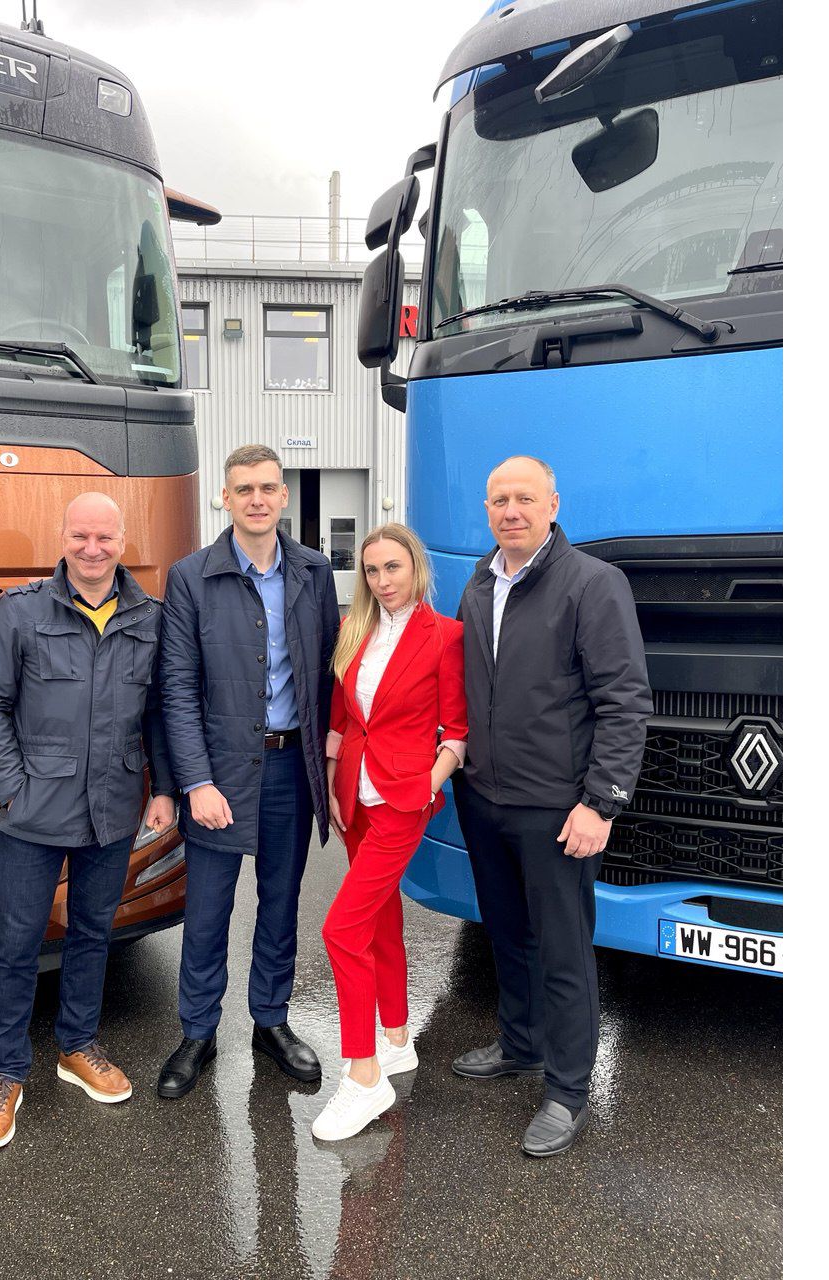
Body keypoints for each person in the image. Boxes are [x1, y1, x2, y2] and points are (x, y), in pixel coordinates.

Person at [451, 456, 651, 1158]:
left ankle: (568, 1091)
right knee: (507, 934)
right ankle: (521, 1043)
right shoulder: (480, 583)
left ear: (553, 505)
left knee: (564, 951)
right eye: (499, 500)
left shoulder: (593, 584)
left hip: (557, 808)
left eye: (525, 498)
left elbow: (624, 701)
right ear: (487, 510)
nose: (512, 511)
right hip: (485, 798)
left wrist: (601, 802)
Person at [0, 493, 177, 1149]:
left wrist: (165, 789)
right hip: (35, 811)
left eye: (104, 537)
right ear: (62, 538)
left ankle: (77, 1046)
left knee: (93, 931)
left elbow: (159, 711)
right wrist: (13, 788)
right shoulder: (23, 612)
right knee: (17, 942)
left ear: (122, 541)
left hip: (113, 806)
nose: (92, 548)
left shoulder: (149, 617)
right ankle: (6, 1072)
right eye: (81, 535)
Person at [157, 444, 341, 1097]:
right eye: (244, 489)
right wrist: (196, 782)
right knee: (207, 911)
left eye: (267, 488)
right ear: (226, 499)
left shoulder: (315, 572)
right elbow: (177, 688)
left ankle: (271, 1019)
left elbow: (330, 671)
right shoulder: (191, 578)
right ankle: (197, 1032)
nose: (257, 499)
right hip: (220, 771)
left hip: (291, 767)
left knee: (281, 903)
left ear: (284, 496)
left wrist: (333, 764)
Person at [311, 524, 466, 1142]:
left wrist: (428, 784)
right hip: (356, 792)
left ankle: (364, 1074)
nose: (381, 581)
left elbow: (457, 730)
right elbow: (342, 717)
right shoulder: (355, 628)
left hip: (404, 798)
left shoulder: (446, 636)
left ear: (416, 567)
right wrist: (332, 780)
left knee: (341, 929)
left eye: (392, 567)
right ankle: (397, 1038)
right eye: (371, 570)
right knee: (378, 918)